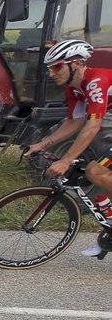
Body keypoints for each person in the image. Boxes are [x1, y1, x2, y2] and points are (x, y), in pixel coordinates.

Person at [23, 39, 112, 257]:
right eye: (49, 68)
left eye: (56, 66)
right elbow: (74, 122)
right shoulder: (74, 88)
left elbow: (92, 125)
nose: (52, 73)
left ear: (77, 63)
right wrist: (41, 144)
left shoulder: (95, 81)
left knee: (95, 171)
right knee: (96, 172)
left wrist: (65, 160)